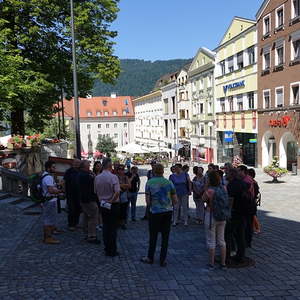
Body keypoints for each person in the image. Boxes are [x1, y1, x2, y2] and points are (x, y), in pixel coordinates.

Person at [141, 164, 178, 267]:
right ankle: (163, 259)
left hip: (155, 212)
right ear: (163, 171)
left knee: (153, 236)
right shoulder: (169, 183)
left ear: (153, 171)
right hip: (167, 212)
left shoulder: (149, 183)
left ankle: (150, 257)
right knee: (165, 237)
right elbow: (175, 200)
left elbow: (148, 202)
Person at [202, 171, 229, 269]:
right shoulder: (224, 188)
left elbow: (203, 200)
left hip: (211, 215)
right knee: (222, 241)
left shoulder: (209, 191)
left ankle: (211, 263)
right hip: (222, 216)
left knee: (211, 241)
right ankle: (223, 263)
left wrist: (206, 187)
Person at [94, 158, 120, 257]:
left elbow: (95, 192)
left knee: (106, 226)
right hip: (112, 204)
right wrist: (111, 201)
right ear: (110, 165)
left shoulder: (97, 177)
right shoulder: (113, 177)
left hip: (103, 204)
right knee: (113, 228)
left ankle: (106, 248)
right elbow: (117, 192)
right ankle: (112, 250)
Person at [226, 168, 249, 264]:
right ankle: (241, 255)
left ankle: (228, 255)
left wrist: (228, 213)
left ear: (231, 175)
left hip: (235, 212)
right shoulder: (242, 183)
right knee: (240, 235)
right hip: (243, 212)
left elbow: (230, 200)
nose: (225, 174)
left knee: (228, 234)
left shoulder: (232, 185)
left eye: (227, 173)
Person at [78, 160, 100, 244]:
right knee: (93, 217)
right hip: (89, 200)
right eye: (88, 165)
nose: (89, 167)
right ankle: (92, 236)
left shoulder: (81, 174)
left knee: (87, 216)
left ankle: (87, 234)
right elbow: (95, 182)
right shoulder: (86, 175)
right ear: (84, 167)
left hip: (85, 199)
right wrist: (94, 176)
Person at [41, 161, 64, 244]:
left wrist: (58, 185)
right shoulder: (48, 177)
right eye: (53, 167)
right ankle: (48, 238)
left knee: (49, 219)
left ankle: (49, 235)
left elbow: (51, 187)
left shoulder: (45, 175)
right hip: (50, 201)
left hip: (48, 200)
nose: (55, 169)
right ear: (48, 168)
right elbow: (51, 190)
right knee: (48, 220)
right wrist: (60, 191)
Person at [237, 165, 256, 248]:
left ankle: (247, 242)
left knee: (247, 224)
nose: (237, 172)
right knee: (247, 224)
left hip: (248, 205)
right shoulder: (246, 179)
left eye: (238, 171)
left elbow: (245, 194)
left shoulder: (246, 180)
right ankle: (247, 242)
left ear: (243, 171)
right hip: (248, 205)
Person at [63, 159, 81, 231]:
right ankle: (71, 224)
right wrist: (64, 192)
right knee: (71, 209)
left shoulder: (80, 171)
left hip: (79, 194)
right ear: (73, 163)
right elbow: (64, 182)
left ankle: (76, 223)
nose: (77, 164)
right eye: (76, 162)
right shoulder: (68, 171)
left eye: (78, 163)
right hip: (70, 193)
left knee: (78, 209)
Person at [117, 164, 130, 229]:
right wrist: (124, 185)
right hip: (117, 196)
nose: (121, 170)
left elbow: (129, 185)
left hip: (124, 196)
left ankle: (123, 223)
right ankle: (118, 223)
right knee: (118, 210)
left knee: (124, 210)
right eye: (119, 169)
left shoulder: (125, 177)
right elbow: (116, 185)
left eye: (122, 169)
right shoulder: (115, 177)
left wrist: (121, 185)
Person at [248, 168, 261, 234]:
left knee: (253, 215)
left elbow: (255, 192)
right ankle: (253, 228)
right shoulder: (253, 181)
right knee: (252, 215)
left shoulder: (253, 182)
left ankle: (257, 228)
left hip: (252, 201)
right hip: (253, 200)